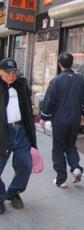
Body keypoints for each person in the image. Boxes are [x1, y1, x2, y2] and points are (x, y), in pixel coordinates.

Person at [40, 52, 84, 188]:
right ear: (72, 63)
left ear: (60, 64)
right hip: (74, 120)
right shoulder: (81, 81)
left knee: (58, 149)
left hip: (59, 120)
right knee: (71, 146)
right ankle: (75, 168)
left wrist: (43, 117)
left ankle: (61, 179)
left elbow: (49, 101)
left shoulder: (56, 81)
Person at [0, 58, 37, 214]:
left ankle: (14, 191)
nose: (11, 76)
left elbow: (28, 109)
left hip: (20, 131)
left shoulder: (20, 86)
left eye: (14, 72)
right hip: (3, 133)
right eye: (8, 73)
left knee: (26, 165)